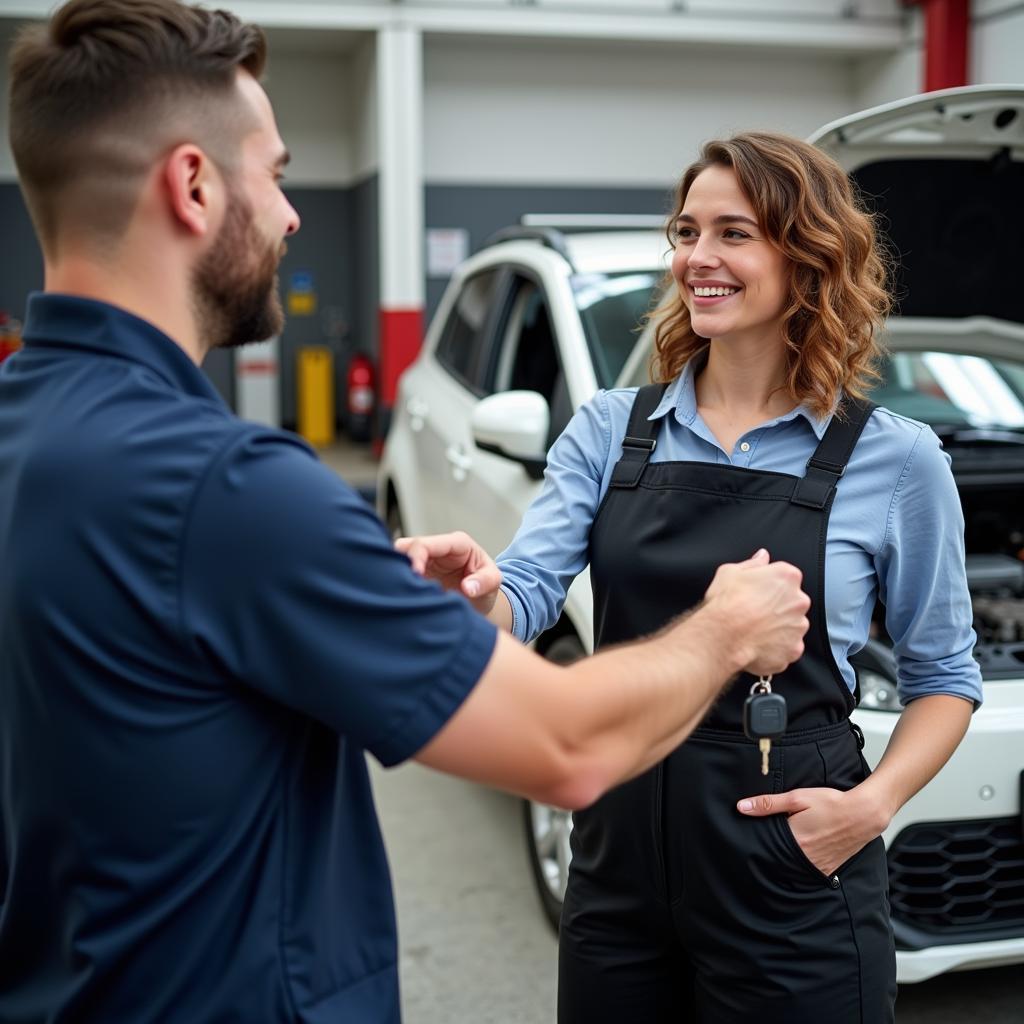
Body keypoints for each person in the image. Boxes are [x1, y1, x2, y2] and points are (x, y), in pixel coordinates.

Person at [0, 4, 812, 1021]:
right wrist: (728, 626)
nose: (292, 215)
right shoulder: (231, 488)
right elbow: (568, 748)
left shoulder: (28, 432)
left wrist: (339, 596)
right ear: (195, 185)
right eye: (278, 172)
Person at [404, 131, 981, 1023]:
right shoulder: (608, 430)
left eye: (733, 233)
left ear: (809, 257)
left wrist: (869, 809)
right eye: (685, 232)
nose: (696, 259)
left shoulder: (895, 461)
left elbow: (944, 679)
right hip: (617, 866)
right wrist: (474, 597)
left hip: (791, 874)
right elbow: (523, 593)